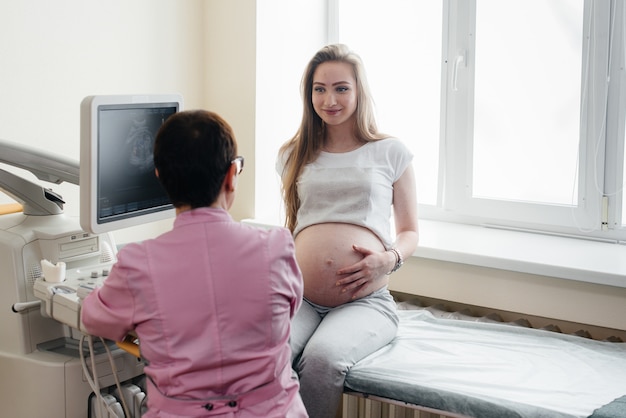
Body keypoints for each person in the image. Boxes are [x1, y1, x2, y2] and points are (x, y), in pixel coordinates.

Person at [82, 110, 308, 418]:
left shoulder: (138, 265)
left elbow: (95, 319)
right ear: (231, 175)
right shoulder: (277, 247)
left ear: (159, 176)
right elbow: (289, 309)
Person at [276, 44, 419, 417]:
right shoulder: (293, 154)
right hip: (301, 297)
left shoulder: (390, 152)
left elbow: (409, 231)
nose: (330, 99)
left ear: (359, 91)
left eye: (341, 88)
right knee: (266, 352)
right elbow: (295, 224)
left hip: (365, 302)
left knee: (323, 360)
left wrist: (388, 260)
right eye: (319, 89)